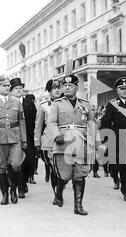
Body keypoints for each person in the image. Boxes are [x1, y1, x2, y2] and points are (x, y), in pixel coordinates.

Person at [47, 74, 102, 216]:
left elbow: (91, 124)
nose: (66, 87)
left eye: (70, 85)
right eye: (64, 85)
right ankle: (58, 193)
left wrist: (97, 143)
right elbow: (51, 122)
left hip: (82, 143)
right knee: (64, 175)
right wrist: (56, 135)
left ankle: (78, 206)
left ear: (77, 87)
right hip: (63, 142)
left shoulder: (85, 104)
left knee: (80, 174)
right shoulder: (57, 104)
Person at [0, 75, 27, 205]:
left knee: (16, 164)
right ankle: (5, 194)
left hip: (15, 137)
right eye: (4, 85)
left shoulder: (16, 102)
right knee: (1, 166)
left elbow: (22, 122)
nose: (7, 87)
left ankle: (14, 189)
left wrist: (24, 140)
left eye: (8, 85)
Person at [34, 79, 63, 201]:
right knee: (54, 169)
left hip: (65, 140)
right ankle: (57, 194)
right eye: (53, 88)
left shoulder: (66, 103)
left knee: (64, 169)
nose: (57, 90)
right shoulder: (43, 106)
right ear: (49, 90)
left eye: (58, 87)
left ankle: (59, 191)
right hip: (49, 142)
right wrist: (37, 142)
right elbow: (38, 125)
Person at [9, 78, 37, 199]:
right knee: (18, 161)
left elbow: (34, 119)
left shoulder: (29, 103)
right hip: (15, 136)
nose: (19, 90)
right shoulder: (9, 104)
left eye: (20, 88)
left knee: (29, 161)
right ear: (11, 91)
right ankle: (19, 187)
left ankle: (24, 181)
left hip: (28, 136)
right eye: (16, 88)